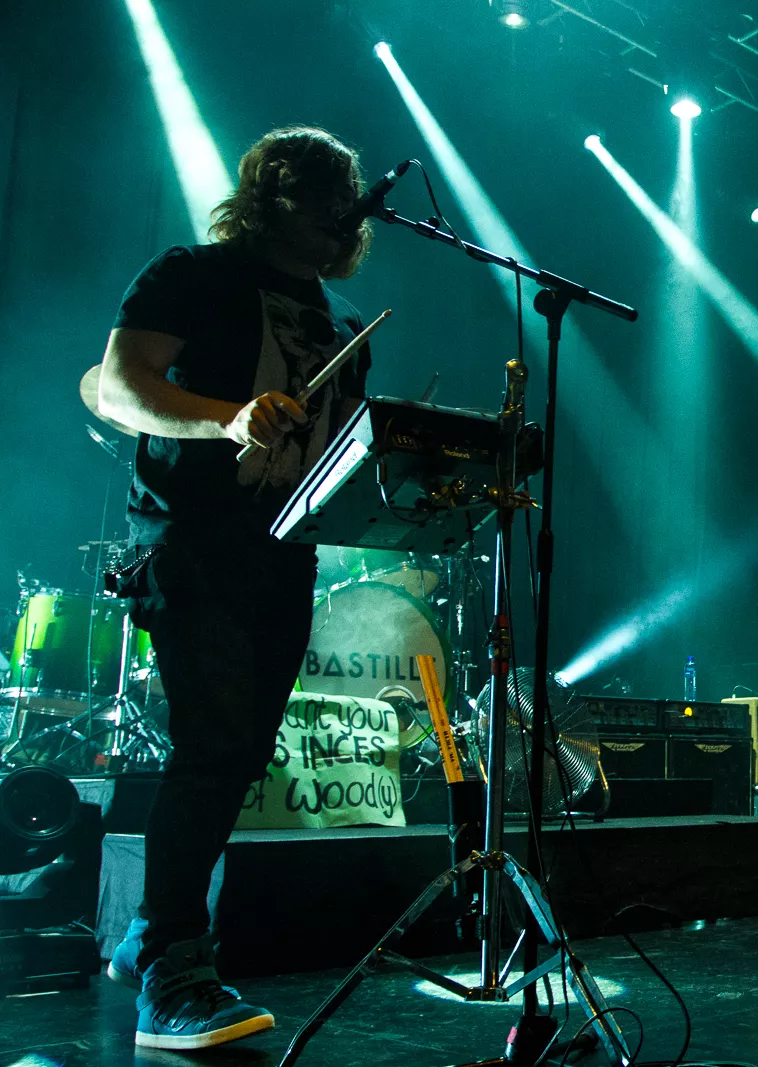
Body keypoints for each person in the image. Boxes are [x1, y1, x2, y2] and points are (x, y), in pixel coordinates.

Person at [96, 126, 375, 1050]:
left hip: (280, 553)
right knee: (213, 745)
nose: (346, 202)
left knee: (238, 754)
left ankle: (155, 941)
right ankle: (174, 964)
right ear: (274, 192)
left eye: (352, 189)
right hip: (191, 540)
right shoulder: (193, 273)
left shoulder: (339, 324)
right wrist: (227, 419)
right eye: (327, 187)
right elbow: (116, 388)